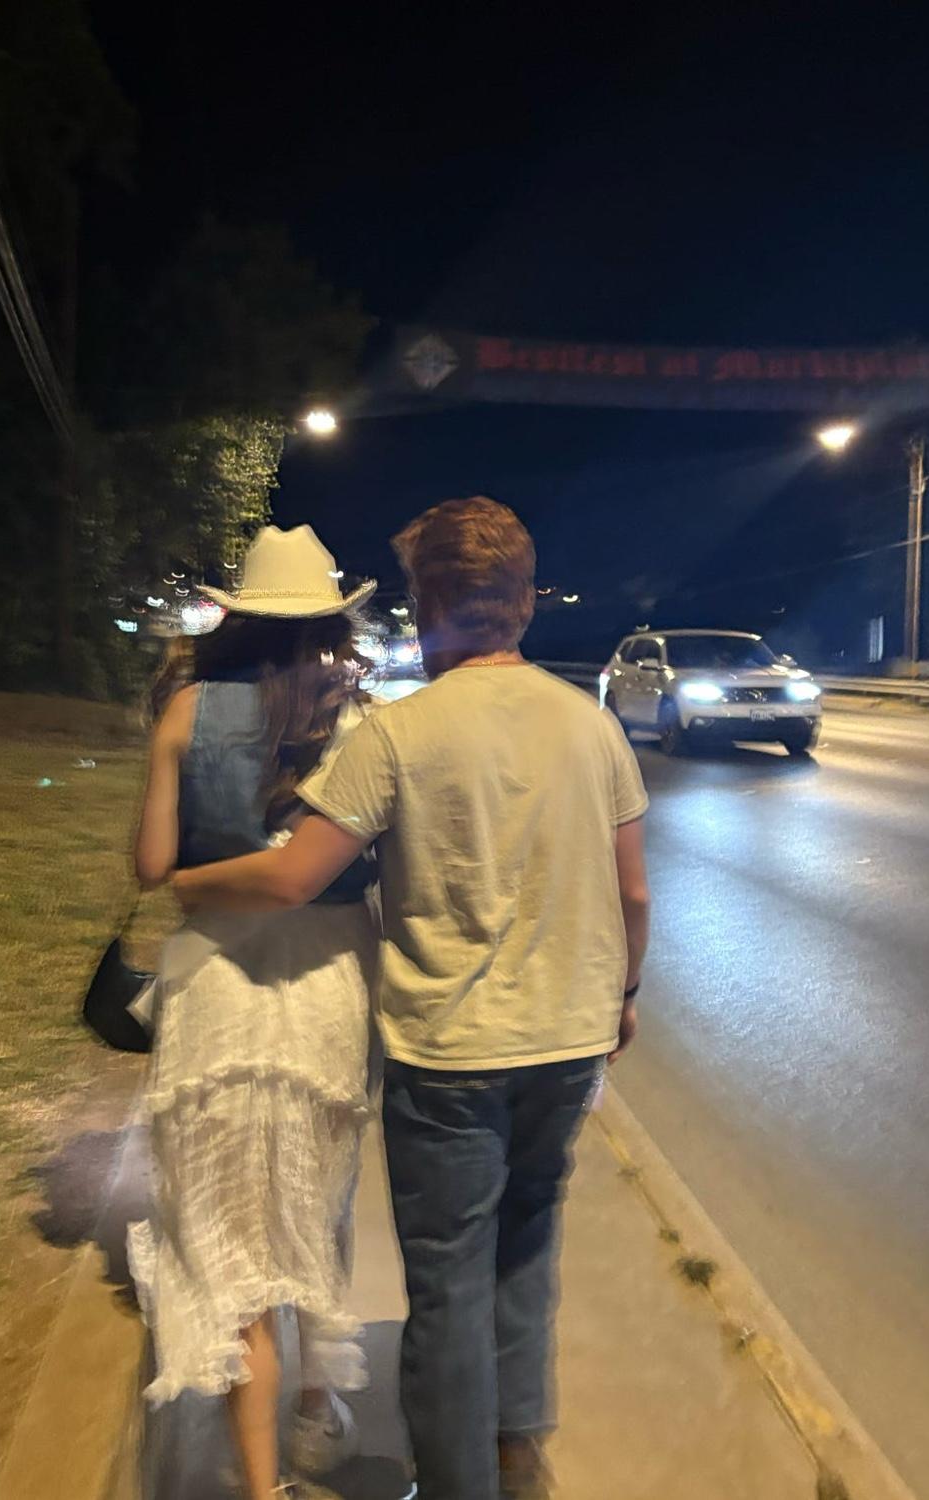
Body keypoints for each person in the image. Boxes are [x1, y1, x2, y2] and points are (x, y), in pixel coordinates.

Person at [174, 497, 651, 1500]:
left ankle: (456, 1484)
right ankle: (517, 1447)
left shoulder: (397, 737)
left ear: (433, 606)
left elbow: (295, 876)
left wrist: (184, 887)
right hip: (567, 1044)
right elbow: (633, 891)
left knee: (446, 1282)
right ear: (522, 604)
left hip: (451, 1055)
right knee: (526, 1246)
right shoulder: (592, 725)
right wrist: (624, 997)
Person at [129, 524, 381, 1499]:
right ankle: (318, 1411)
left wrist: (197, 867)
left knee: (234, 1232)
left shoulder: (186, 708)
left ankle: (261, 1477)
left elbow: (154, 869)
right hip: (328, 990)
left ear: (235, 616)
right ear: (326, 620)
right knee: (317, 1201)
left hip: (215, 995)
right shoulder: (360, 717)